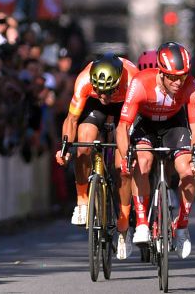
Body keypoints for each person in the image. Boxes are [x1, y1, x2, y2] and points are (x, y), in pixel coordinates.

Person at [117, 42, 195, 259]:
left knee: (187, 169)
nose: (178, 82)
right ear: (161, 72)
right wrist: (127, 154)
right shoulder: (140, 83)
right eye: (172, 77)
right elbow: (123, 126)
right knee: (143, 162)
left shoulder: (191, 85)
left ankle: (182, 226)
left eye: (182, 76)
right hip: (146, 125)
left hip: (174, 125)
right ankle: (142, 224)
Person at [57, 53, 138, 259]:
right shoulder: (84, 80)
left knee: (123, 167)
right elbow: (72, 119)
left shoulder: (132, 79)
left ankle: (124, 223)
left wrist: (131, 148)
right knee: (83, 146)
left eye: (109, 91)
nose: (105, 97)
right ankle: (83, 200)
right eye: (101, 91)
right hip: (93, 108)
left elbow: (139, 120)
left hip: (125, 107)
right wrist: (65, 148)